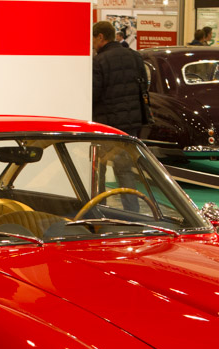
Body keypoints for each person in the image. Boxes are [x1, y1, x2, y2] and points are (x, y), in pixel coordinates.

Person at [92, 21, 148, 210]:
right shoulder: (135, 56)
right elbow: (144, 88)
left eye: (92, 38)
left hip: (106, 125)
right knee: (125, 171)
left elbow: (94, 93)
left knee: (97, 170)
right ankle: (133, 212)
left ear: (100, 37)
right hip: (131, 124)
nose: (91, 44)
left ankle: (99, 209)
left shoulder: (99, 61)